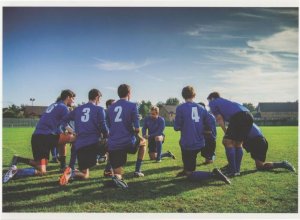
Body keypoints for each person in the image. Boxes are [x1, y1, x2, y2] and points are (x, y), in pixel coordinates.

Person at [3, 89, 76, 183]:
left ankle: (17, 166)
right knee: (74, 138)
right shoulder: (63, 107)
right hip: (46, 137)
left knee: (42, 170)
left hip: (37, 137)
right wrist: (75, 133)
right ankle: (70, 167)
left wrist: (64, 133)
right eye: (73, 99)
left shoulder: (53, 105)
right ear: (68, 97)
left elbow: (56, 124)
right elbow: (65, 124)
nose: (74, 101)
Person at [173, 86, 230, 185]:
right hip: (201, 142)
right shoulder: (202, 108)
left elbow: (177, 127)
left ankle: (213, 174)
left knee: (190, 175)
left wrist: (178, 122)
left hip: (188, 143)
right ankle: (187, 169)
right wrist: (205, 131)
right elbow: (211, 120)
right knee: (183, 146)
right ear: (194, 95)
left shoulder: (180, 108)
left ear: (182, 96)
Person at [59, 89, 109, 185]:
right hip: (94, 143)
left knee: (85, 174)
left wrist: (72, 131)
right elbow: (103, 127)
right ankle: (109, 171)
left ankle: (71, 173)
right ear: (97, 97)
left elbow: (63, 120)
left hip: (80, 145)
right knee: (115, 146)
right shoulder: (99, 109)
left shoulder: (78, 109)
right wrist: (108, 136)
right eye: (100, 98)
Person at [107, 84, 146, 189]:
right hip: (128, 142)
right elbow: (137, 129)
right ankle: (138, 170)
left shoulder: (110, 108)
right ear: (129, 93)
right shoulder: (133, 106)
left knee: (118, 173)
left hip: (113, 143)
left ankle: (116, 178)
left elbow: (109, 126)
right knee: (143, 142)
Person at [207, 92, 253, 177]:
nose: (208, 104)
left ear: (212, 98)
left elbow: (219, 119)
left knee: (227, 141)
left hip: (239, 117)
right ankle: (237, 170)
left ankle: (232, 170)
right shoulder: (226, 102)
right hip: (249, 116)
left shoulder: (213, 102)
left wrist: (226, 132)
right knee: (238, 144)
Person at [102, 99, 115, 177]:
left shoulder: (110, 113)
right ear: (109, 106)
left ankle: (108, 170)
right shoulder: (105, 112)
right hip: (107, 135)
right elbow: (104, 124)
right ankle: (108, 170)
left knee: (112, 152)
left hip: (109, 135)